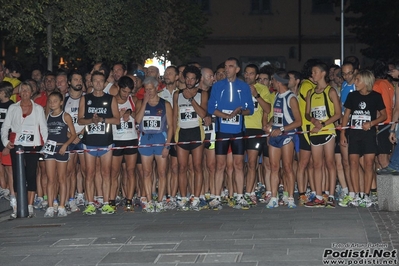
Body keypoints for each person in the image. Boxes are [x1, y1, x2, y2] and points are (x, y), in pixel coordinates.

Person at [207, 57, 254, 210]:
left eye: (230, 66)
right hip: (222, 131)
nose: (227, 69)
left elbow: (250, 110)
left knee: (239, 165)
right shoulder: (217, 86)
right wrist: (226, 116)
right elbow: (210, 109)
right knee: (220, 165)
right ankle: (217, 197)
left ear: (237, 69)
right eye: (225, 66)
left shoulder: (244, 86)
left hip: (238, 132)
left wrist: (239, 111)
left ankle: (240, 196)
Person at [1, 81, 48, 218]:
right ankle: (17, 206)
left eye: (27, 90)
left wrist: (45, 145)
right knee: (17, 175)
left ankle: (29, 205)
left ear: (31, 92)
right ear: (19, 93)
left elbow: (43, 128)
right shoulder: (13, 108)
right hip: (17, 145)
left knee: (31, 174)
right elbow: (5, 127)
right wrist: (6, 142)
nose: (25, 93)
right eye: (22, 90)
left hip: (33, 145)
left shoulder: (38, 108)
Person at [340, 70, 386, 208]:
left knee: (368, 164)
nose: (355, 82)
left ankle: (366, 195)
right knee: (353, 163)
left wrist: (371, 123)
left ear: (366, 81)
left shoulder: (376, 96)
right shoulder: (352, 96)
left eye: (358, 80)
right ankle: (355, 194)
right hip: (354, 134)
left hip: (369, 135)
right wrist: (343, 133)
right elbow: (346, 116)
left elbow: (383, 115)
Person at [78, 71, 120, 215]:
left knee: (106, 173)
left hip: (106, 142)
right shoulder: (85, 99)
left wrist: (102, 120)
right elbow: (79, 120)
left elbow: (117, 120)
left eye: (100, 81)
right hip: (89, 141)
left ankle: (106, 203)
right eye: (95, 80)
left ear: (104, 83)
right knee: (89, 173)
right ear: (91, 82)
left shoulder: (110, 99)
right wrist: (91, 121)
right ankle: (90, 203)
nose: (97, 83)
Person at [304, 62, 341, 208]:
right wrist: (313, 120)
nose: (312, 74)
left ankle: (331, 196)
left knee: (330, 163)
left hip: (327, 131)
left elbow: (337, 114)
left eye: (315, 71)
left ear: (323, 73)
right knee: (316, 164)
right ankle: (318, 195)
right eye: (312, 72)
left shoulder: (330, 91)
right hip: (315, 132)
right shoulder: (310, 93)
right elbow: (307, 113)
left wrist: (323, 124)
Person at [135, 76, 173, 212]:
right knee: (146, 172)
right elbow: (137, 120)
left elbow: (171, 126)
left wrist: (167, 146)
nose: (149, 92)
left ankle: (160, 200)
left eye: (151, 89)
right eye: (146, 89)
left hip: (160, 140)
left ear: (157, 88)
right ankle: (149, 200)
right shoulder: (140, 102)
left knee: (162, 172)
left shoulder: (165, 104)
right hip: (145, 140)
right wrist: (144, 102)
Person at [173, 65, 207, 211]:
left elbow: (203, 114)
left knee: (197, 167)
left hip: (196, 133)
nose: (189, 81)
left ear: (197, 80)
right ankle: (183, 197)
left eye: (193, 78)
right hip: (182, 133)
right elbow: (175, 116)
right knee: (182, 167)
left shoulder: (202, 93)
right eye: (187, 78)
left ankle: (196, 197)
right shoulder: (177, 94)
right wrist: (174, 136)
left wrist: (191, 99)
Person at [265, 71, 301, 209]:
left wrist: (282, 129)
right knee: (274, 167)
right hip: (275, 135)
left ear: (279, 82)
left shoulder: (291, 98)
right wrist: (270, 124)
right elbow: (277, 115)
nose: (271, 83)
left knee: (287, 167)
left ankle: (290, 197)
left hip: (287, 135)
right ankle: (274, 197)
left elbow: (298, 121)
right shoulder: (276, 96)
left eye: (273, 80)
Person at [43, 91, 76, 217]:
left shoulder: (65, 116)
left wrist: (65, 145)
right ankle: (51, 206)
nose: (52, 104)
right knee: (51, 179)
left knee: (62, 178)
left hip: (61, 148)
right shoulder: (47, 116)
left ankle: (62, 205)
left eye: (55, 101)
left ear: (61, 102)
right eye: (50, 101)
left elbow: (73, 134)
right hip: (50, 149)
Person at [243, 64, 271, 207]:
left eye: (251, 73)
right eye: (246, 73)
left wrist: (256, 95)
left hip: (255, 130)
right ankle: (238, 192)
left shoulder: (262, 89)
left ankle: (250, 192)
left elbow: (268, 108)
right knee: (239, 164)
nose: (248, 76)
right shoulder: (238, 87)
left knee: (252, 162)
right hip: (239, 129)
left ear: (257, 76)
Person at [110, 76, 138, 211]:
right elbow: (109, 119)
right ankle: (111, 200)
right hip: (116, 139)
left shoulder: (133, 100)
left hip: (131, 138)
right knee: (114, 171)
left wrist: (129, 111)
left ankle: (129, 200)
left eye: (128, 92)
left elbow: (139, 114)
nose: (126, 95)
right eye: (124, 92)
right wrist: (119, 116)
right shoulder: (112, 100)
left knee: (130, 171)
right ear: (119, 88)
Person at [0, 82, 14, 216]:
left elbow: (13, 128)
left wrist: (8, 145)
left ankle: (12, 192)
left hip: (6, 143)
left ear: (5, 92)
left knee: (9, 169)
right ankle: (3, 189)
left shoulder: (12, 106)